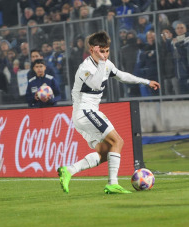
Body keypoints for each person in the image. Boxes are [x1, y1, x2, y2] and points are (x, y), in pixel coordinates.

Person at [57, 31, 160, 194]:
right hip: (85, 111)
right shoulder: (86, 67)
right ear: (92, 50)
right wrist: (102, 62)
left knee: (105, 152)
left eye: (107, 51)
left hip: (86, 114)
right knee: (118, 142)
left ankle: (69, 170)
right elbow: (97, 84)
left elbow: (121, 75)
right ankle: (112, 183)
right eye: (101, 51)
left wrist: (146, 81)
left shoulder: (105, 63)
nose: (105, 54)